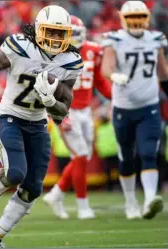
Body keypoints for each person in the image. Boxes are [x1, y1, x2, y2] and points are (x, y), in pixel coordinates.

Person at [0, 5, 83, 248]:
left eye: (59, 33)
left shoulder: (70, 60)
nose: (54, 38)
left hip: (38, 124)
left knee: (33, 188)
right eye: (50, 32)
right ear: (38, 30)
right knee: (15, 173)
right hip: (9, 117)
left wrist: (50, 101)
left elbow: (63, 110)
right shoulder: (22, 47)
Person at [101, 0, 168, 219]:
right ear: (123, 18)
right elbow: (106, 67)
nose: (136, 22)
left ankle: (149, 200)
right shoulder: (115, 40)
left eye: (140, 17)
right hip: (124, 107)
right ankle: (131, 202)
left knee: (149, 153)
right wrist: (114, 76)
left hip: (149, 105)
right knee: (127, 157)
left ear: (146, 17)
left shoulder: (155, 39)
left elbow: (163, 72)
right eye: (132, 18)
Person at [42, 15, 112, 220]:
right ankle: (83, 206)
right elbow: (47, 88)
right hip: (67, 110)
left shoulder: (94, 50)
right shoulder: (55, 55)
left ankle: (57, 193)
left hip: (86, 111)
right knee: (80, 156)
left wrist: (116, 97)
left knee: (82, 157)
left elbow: (99, 80)